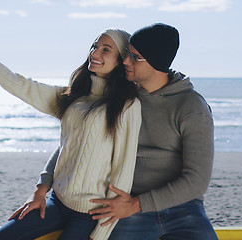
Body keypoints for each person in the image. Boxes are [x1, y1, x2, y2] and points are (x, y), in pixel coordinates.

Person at [0, 20, 141, 240]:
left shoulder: (127, 106)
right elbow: (20, 85)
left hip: (91, 214)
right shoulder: (73, 97)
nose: (95, 53)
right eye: (94, 46)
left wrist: (101, 233)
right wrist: (41, 189)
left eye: (106, 50)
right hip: (57, 201)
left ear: (121, 61)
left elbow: (123, 171)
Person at [42, 23, 218, 239]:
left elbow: (197, 181)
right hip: (124, 204)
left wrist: (137, 204)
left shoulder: (192, 107)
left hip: (181, 207)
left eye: (135, 57)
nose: (125, 61)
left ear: (156, 62)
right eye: (127, 54)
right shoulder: (121, 97)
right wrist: (44, 183)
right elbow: (75, 141)